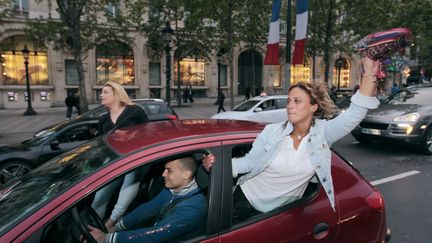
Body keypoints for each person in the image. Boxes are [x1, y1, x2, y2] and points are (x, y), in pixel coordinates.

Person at [203, 56, 380, 216]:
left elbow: (355, 113)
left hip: (280, 215)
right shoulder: (272, 132)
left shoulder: (323, 134)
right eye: (288, 101)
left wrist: (369, 73)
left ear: (313, 107)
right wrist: (215, 163)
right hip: (243, 202)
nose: (290, 106)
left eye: (297, 101)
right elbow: (248, 162)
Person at [87, 157, 208, 243]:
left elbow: (157, 234)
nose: (163, 174)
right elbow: (147, 209)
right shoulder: (173, 190)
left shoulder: (193, 207)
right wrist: (116, 227)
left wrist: (107, 239)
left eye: (169, 170)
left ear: (186, 174)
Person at [92, 81, 150, 229]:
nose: (101, 95)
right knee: (100, 196)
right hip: (114, 161)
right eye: (101, 92)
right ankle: (92, 227)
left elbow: (149, 132)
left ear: (116, 94)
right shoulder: (103, 119)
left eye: (105, 92)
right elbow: (101, 142)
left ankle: (111, 222)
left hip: (135, 158)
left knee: (130, 179)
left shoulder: (135, 111)